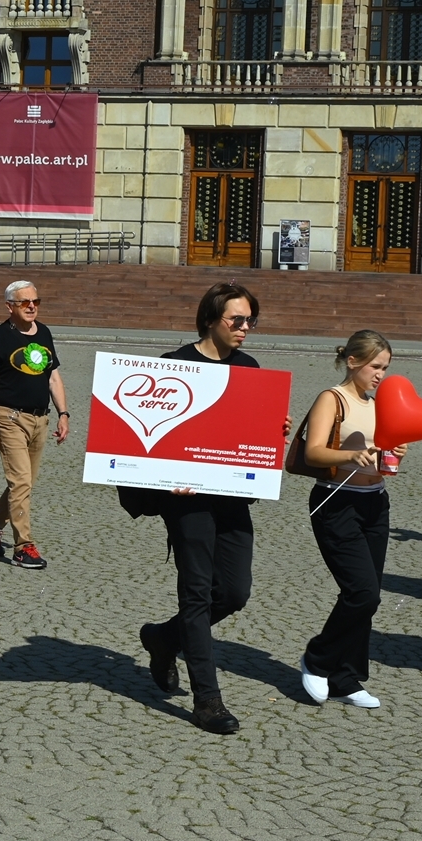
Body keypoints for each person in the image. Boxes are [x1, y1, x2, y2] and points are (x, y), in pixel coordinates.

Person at [137, 283, 291, 736]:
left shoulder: (249, 368)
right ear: (209, 319)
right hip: (186, 502)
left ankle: (163, 638)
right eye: (236, 319)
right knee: (197, 594)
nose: (245, 328)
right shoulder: (175, 365)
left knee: (235, 591)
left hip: (230, 495)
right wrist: (166, 479)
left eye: (250, 320)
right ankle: (207, 700)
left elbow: (247, 433)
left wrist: (272, 430)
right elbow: (149, 438)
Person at [299, 330, 405, 709]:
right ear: (353, 361)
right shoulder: (332, 398)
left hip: (375, 504)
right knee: (363, 592)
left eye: (385, 368)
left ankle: (346, 677)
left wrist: (394, 454)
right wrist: (349, 456)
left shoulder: (377, 404)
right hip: (336, 503)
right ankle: (317, 659)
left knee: (367, 596)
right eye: (375, 366)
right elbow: (313, 453)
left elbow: (381, 457)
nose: (380, 374)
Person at [0, 279, 70, 569]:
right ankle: (23, 547)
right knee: (21, 482)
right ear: (10, 306)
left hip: (40, 419)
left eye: (36, 301)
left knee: (24, 484)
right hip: (9, 418)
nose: (32, 306)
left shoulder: (44, 332)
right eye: (25, 302)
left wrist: (63, 413)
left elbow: (53, 377)